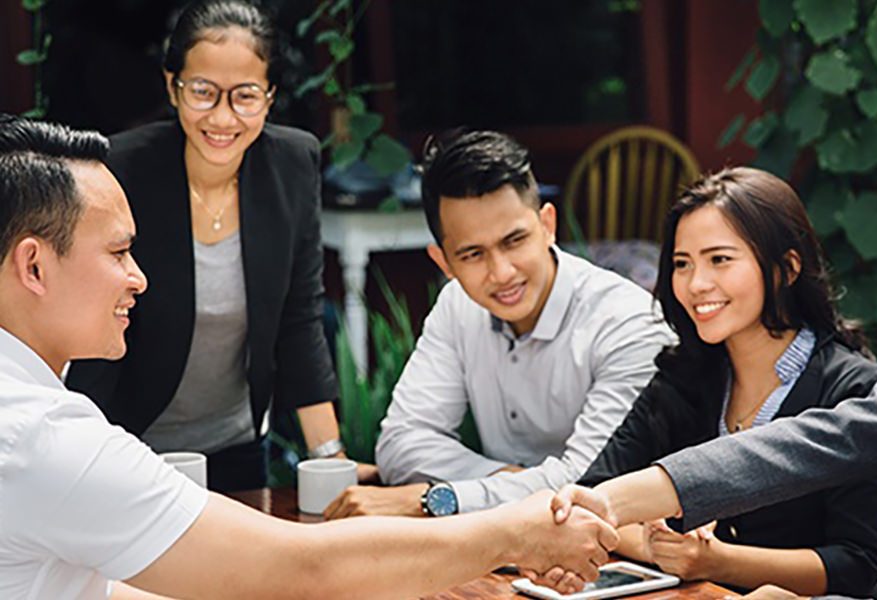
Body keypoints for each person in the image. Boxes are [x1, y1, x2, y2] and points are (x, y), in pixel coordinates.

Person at [0, 114, 617, 600]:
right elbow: (306, 568)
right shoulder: (43, 437)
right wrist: (517, 528)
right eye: (118, 252)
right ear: (33, 265)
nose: (139, 278)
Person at [547, 146, 877, 599]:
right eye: (681, 264)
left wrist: (725, 565)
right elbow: (823, 440)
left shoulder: (850, 378)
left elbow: (858, 561)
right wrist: (618, 505)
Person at [64, 0, 370, 492]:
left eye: (245, 95)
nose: (223, 117)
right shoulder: (122, 170)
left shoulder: (292, 165)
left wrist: (331, 461)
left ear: (269, 97)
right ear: (173, 87)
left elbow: (299, 320)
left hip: (236, 447)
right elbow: (90, 320)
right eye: (203, 92)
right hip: (126, 447)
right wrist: (85, 459)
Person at [576, 167, 877, 597]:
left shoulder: (855, 391)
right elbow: (595, 491)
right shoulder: (683, 374)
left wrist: (717, 560)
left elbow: (856, 564)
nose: (696, 284)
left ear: (786, 268)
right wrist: (660, 546)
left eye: (720, 260)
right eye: (681, 264)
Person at [324, 128, 675, 519]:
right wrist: (513, 481)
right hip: (503, 550)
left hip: (629, 554)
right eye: (473, 254)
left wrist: (444, 497)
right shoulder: (458, 305)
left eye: (514, 241)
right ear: (444, 263)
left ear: (547, 225)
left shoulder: (630, 324)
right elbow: (401, 444)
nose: (502, 272)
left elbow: (589, 483)